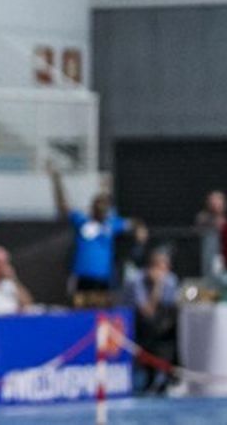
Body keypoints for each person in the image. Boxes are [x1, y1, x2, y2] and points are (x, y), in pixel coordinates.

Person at [50, 167, 134, 293]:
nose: (101, 209)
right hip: (82, 276)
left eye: (105, 207)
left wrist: (139, 231)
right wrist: (57, 181)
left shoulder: (112, 223)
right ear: (92, 207)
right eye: (98, 206)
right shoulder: (82, 220)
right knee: (80, 308)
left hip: (103, 277)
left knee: (101, 310)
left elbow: (133, 224)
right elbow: (64, 205)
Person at [127, 247, 179, 394]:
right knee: (150, 329)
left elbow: (172, 307)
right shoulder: (137, 280)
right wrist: (157, 286)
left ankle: (167, 377)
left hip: (163, 326)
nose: (163, 272)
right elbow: (147, 311)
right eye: (160, 266)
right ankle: (150, 377)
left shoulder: (171, 280)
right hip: (142, 325)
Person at [194, 190, 227, 279]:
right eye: (212, 201)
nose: (215, 203)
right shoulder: (203, 218)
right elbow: (200, 224)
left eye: (218, 200)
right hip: (207, 259)